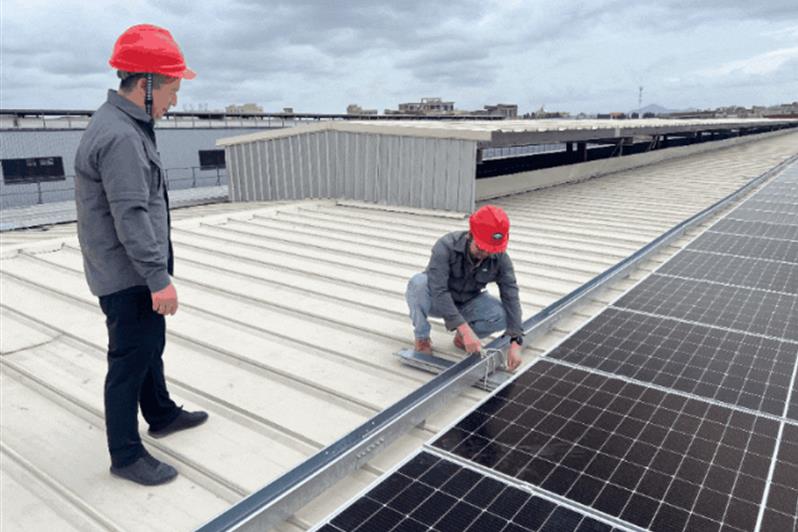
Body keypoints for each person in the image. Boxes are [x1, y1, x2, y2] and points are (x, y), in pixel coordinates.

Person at [74, 24, 207, 486]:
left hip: (132, 269)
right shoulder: (122, 137)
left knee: (150, 345)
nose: (175, 101)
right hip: (128, 274)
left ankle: (161, 413)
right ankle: (126, 455)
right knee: (129, 360)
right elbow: (130, 215)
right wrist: (157, 277)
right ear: (147, 85)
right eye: (172, 90)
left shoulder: (126, 125)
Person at [405, 205, 524, 371]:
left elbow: (511, 296)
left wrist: (516, 340)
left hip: (468, 302)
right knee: (418, 284)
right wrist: (466, 330)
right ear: (470, 235)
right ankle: (422, 338)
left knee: (502, 315)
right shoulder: (446, 246)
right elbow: (438, 290)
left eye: (490, 250)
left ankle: (461, 339)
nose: (485, 254)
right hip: (438, 302)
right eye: (481, 248)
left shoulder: (501, 258)